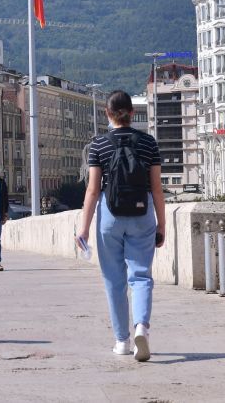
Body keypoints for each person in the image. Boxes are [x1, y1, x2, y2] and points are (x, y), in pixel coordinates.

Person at [77, 90, 165, 362]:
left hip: (110, 215)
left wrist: (84, 228)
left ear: (107, 113)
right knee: (141, 276)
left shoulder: (99, 145)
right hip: (142, 214)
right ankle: (141, 328)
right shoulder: (148, 143)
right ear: (133, 113)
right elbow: (157, 189)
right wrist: (161, 225)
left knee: (114, 280)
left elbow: (93, 190)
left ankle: (122, 341)